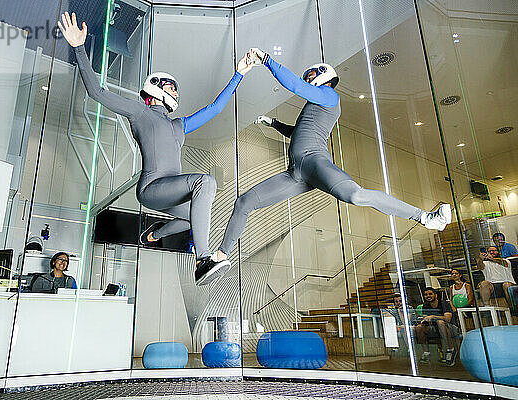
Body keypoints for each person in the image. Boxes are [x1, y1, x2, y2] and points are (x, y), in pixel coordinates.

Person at [57, 13, 254, 286]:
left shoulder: (178, 124)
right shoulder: (140, 112)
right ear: (154, 88)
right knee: (206, 182)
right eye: (169, 86)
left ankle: (153, 235)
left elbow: (215, 109)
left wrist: (239, 74)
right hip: (152, 188)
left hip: (171, 191)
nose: (174, 91)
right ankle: (202, 260)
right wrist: (78, 48)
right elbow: (97, 93)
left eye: (175, 88)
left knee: (195, 218)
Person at [212, 49, 452, 263]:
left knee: (356, 196)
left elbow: (295, 86)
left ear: (324, 75)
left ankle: (425, 217)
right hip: (295, 173)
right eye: (306, 78)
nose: (307, 81)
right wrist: (272, 122)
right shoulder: (314, 106)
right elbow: (298, 132)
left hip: (316, 163)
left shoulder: (330, 96)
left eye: (311, 76)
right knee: (244, 202)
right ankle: (221, 256)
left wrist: (266, 60)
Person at [415, 287, 460, 366]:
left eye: (430, 294)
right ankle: (426, 352)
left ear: (435, 295)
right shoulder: (425, 305)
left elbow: (448, 319)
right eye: (425, 295)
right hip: (434, 327)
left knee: (440, 322)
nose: (428, 296)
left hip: (450, 327)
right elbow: (426, 318)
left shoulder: (444, 303)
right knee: (419, 327)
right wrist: (425, 321)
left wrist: (433, 317)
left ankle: (451, 350)